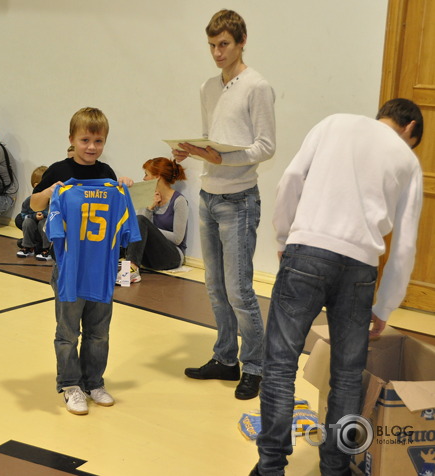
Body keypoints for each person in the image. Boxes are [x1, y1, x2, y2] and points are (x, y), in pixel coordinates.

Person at [251, 99, 424, 476]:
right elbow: (406, 246)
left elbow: (291, 179)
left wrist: (284, 238)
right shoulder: (408, 161)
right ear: (410, 130)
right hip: (360, 266)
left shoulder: (333, 123)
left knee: (280, 364)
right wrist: (385, 306)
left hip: (308, 251)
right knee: (347, 376)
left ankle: (270, 468)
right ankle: (335, 467)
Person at [175, 9, 275, 400]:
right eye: (212, 46)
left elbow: (266, 146)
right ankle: (225, 358)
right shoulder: (208, 87)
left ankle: (256, 366)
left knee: (239, 290)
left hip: (239, 200)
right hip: (208, 195)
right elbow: (210, 137)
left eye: (224, 45)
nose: (217, 53)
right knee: (214, 287)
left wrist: (223, 160)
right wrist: (191, 151)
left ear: (241, 41)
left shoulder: (257, 86)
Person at [31, 107, 136, 416]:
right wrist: (52, 190)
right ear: (72, 139)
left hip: (101, 268)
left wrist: (124, 189)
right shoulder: (58, 172)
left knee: (99, 330)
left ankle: (94, 382)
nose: (92, 147)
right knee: (67, 331)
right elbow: (34, 203)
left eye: (98, 141)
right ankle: (69, 384)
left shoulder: (108, 176)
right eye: (85, 140)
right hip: (69, 266)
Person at [123, 157, 188, 284]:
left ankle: (130, 270)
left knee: (141, 220)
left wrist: (151, 229)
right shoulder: (148, 197)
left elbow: (177, 238)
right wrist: (149, 208)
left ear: (157, 176)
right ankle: (130, 267)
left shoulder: (179, 201)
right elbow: (138, 231)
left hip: (171, 256)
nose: (144, 179)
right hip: (149, 257)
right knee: (126, 229)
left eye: (146, 174)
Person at [15, 165, 49, 260]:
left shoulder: (52, 200)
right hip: (34, 227)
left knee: (44, 223)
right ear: (36, 185)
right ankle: (28, 247)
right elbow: (23, 215)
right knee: (27, 221)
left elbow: (54, 214)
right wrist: (34, 216)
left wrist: (44, 215)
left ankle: (47, 249)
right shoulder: (28, 201)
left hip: (44, 227)